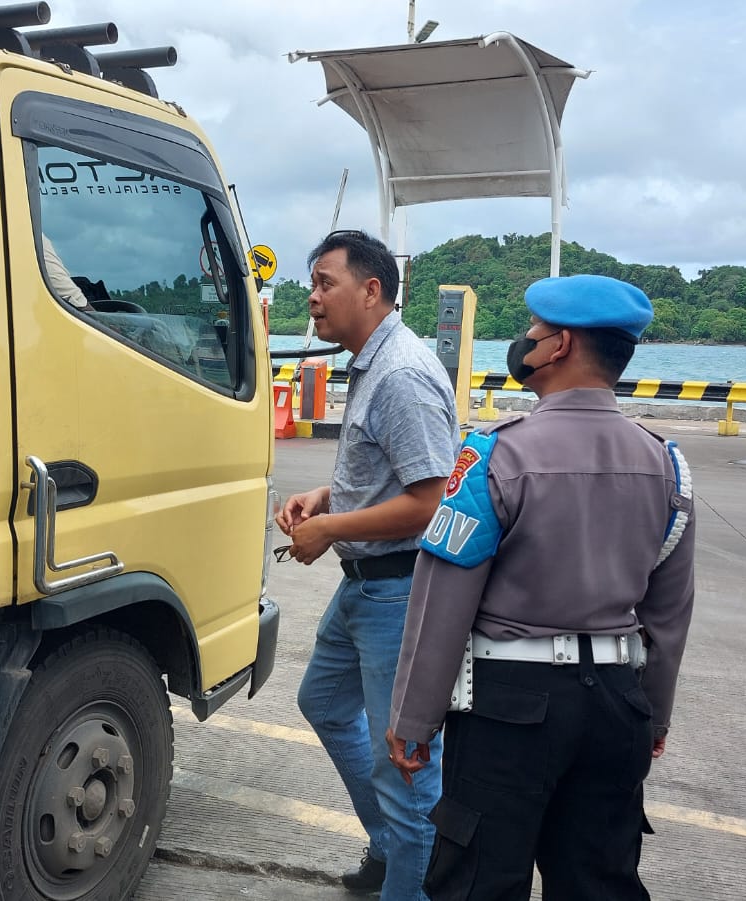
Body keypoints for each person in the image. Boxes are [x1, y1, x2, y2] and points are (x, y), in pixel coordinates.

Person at [385, 274, 696, 901]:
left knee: (478, 880)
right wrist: (654, 715)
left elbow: (443, 598)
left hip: (509, 709)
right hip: (617, 706)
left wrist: (413, 718)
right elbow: (668, 613)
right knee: (599, 880)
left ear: (560, 347)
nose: (524, 341)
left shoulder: (494, 455)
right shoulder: (666, 463)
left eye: (533, 330)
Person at [278, 229, 459, 899]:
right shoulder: (369, 363)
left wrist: (329, 529)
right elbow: (388, 471)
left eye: (325, 283)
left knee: (405, 766)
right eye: (313, 284)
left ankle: (411, 879)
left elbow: (430, 502)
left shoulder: (402, 374)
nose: (313, 297)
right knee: (323, 702)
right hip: (364, 588)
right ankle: (390, 845)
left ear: (371, 290)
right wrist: (326, 497)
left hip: (397, 591)